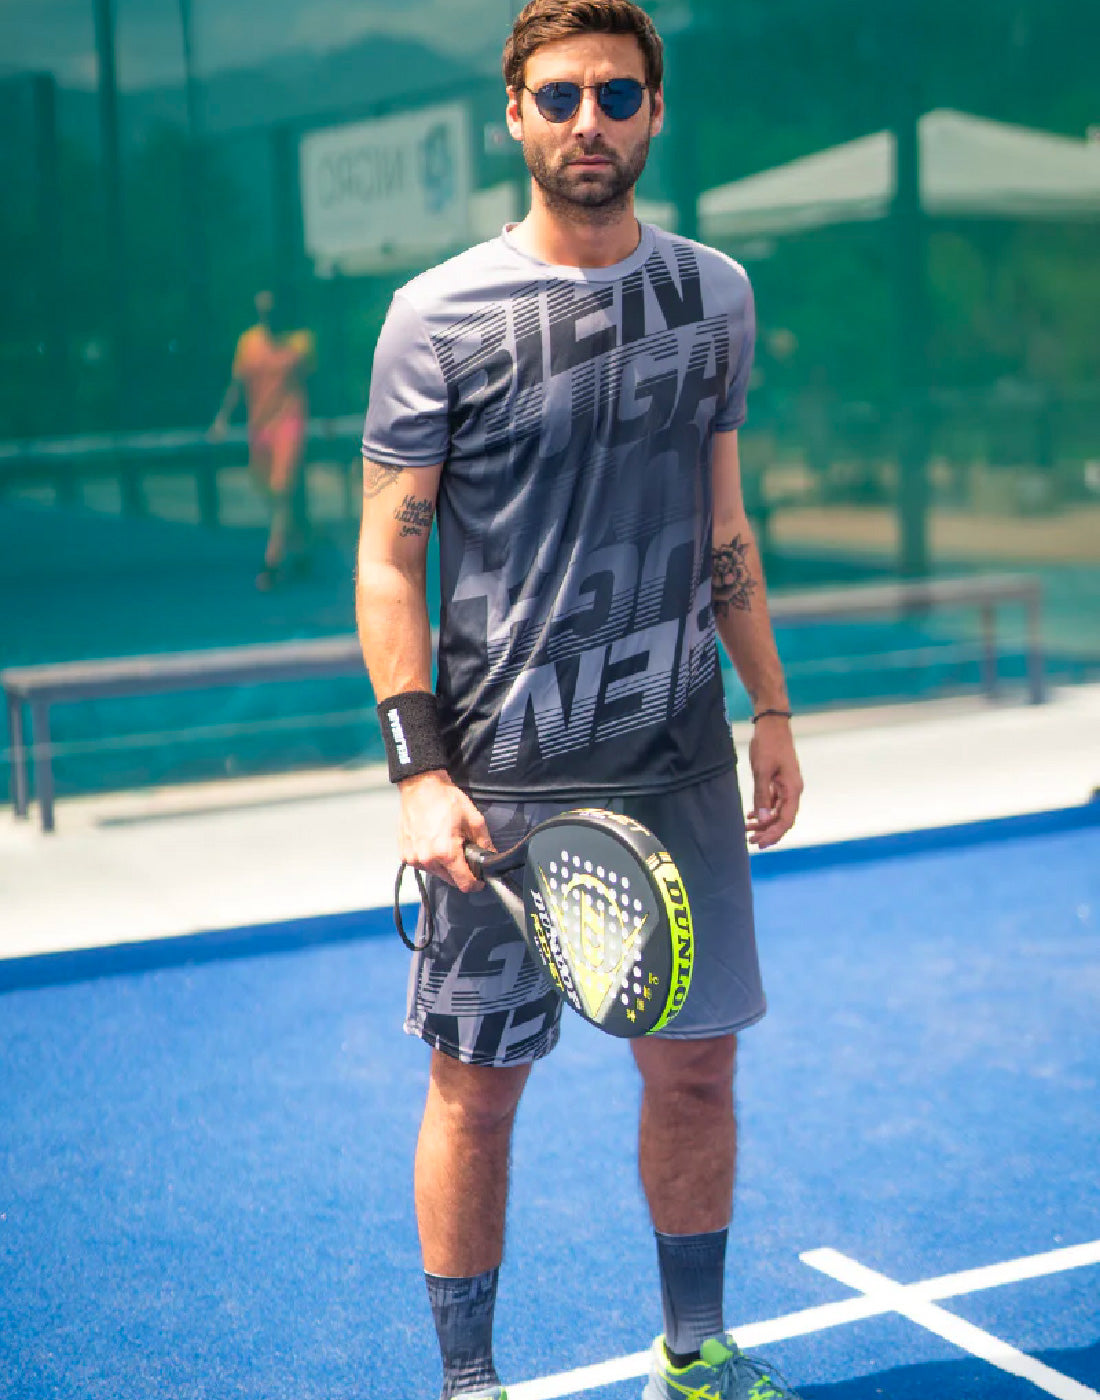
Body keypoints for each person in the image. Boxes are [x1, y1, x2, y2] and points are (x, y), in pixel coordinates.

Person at [355, 3, 804, 1397]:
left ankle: (695, 1352)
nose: (588, 122)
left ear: (655, 109)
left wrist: (770, 707)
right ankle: (470, 1383)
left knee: (697, 1075)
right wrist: (418, 770)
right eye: (559, 97)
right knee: (475, 1095)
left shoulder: (715, 295)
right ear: (514, 114)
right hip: (500, 788)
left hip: (677, 764)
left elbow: (721, 519)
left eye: (617, 93)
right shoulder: (435, 315)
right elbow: (387, 559)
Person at [210, 289, 314, 590]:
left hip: (290, 423)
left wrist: (329, 419)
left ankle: (272, 563)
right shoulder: (248, 342)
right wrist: (222, 419)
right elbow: (237, 384)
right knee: (269, 492)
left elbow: (314, 383)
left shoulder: (300, 342)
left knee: (281, 491)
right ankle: (300, 545)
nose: (268, 316)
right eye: (263, 311)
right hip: (259, 427)